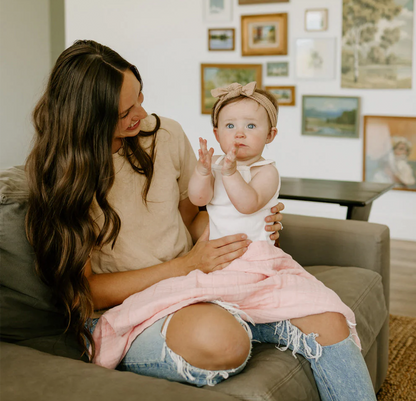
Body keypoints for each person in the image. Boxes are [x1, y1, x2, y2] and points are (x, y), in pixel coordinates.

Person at [24, 41, 284, 386]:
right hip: (123, 309)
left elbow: (192, 219)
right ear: (87, 118)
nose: (142, 115)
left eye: (140, 98)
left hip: (189, 286)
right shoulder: (62, 176)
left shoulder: (166, 134)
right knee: (224, 341)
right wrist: (186, 265)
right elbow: (81, 294)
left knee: (314, 312)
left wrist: (252, 220)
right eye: (124, 112)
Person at [182, 82, 377, 400]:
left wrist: (229, 173)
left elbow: (247, 203)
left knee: (321, 305)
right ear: (217, 133)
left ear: (270, 135)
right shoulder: (217, 166)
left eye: (250, 126)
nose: (239, 134)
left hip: (256, 257)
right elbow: (198, 197)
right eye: (230, 126)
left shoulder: (266, 171)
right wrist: (203, 172)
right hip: (219, 260)